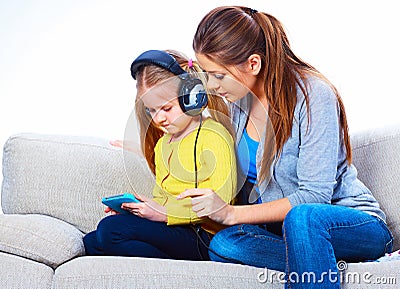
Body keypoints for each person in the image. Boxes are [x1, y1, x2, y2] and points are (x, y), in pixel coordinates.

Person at [177, 6, 394, 288]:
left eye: (218, 76)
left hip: (353, 225)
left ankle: (320, 254)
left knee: (303, 218)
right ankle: (320, 260)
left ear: (253, 64)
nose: (212, 85)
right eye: (206, 74)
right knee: (225, 244)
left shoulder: (313, 95)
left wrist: (231, 214)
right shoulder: (238, 107)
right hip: (288, 234)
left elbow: (314, 196)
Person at [83, 49, 237, 261]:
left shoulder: (214, 136)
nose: (159, 119)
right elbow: (162, 198)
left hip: (204, 235)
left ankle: (177, 268)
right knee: (91, 242)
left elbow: (222, 201)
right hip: (172, 227)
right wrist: (140, 211)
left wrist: (165, 214)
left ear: (191, 97)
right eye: (152, 111)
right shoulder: (163, 144)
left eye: (166, 108)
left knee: (110, 230)